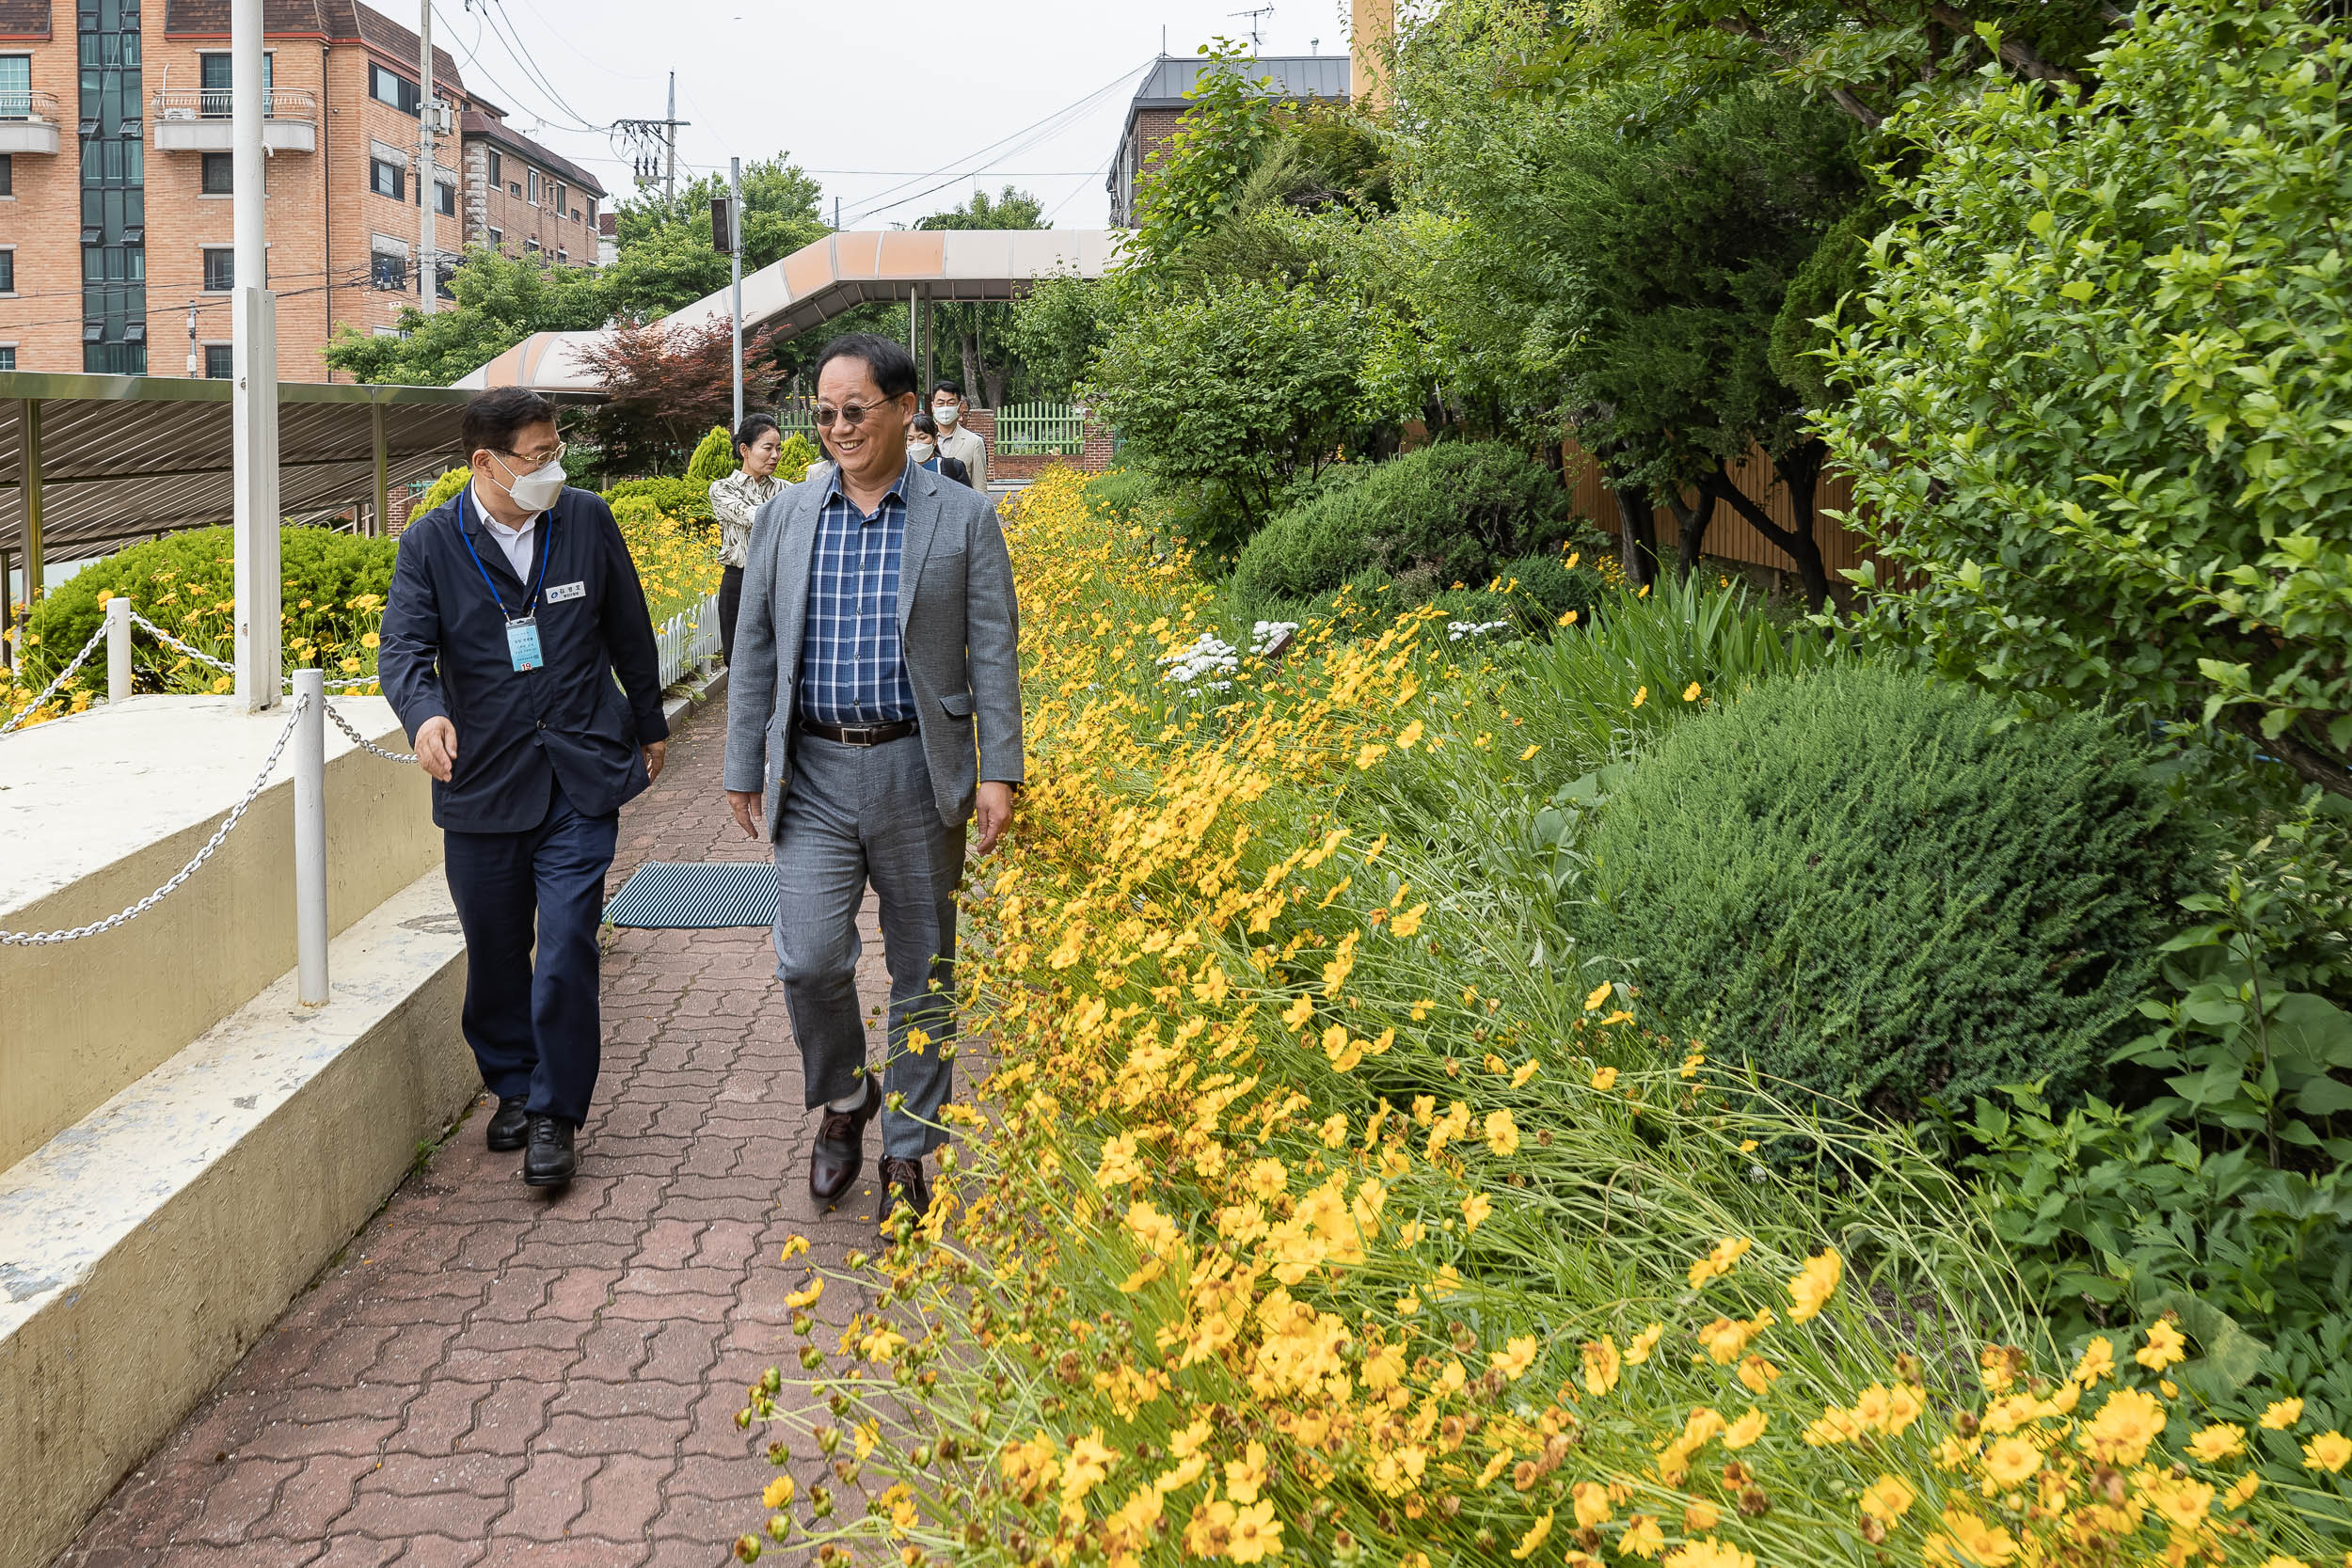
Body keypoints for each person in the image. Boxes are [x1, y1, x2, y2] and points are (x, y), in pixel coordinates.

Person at [723, 333, 1023, 1234]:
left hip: (915, 767)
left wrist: (999, 768)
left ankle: (908, 1146)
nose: (838, 428)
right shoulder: (788, 513)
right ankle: (847, 1095)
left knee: (924, 963)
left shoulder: (961, 517)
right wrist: (743, 763)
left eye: (855, 410)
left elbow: (995, 648)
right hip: (813, 770)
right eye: (824, 413)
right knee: (809, 958)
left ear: (902, 409)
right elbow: (756, 647)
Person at [379, 387, 670, 1190]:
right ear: (486, 463)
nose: (554, 468)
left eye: (555, 452)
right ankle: (512, 1080)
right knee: (498, 951)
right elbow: (402, 647)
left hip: (579, 774)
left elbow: (630, 626)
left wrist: (650, 724)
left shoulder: (585, 520)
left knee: (569, 941)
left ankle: (555, 1114)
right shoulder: (432, 544)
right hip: (484, 783)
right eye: (538, 457)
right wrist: (424, 714)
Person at [709, 413, 786, 666]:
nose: (775, 455)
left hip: (778, 581)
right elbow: (752, 515)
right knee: (738, 660)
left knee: (779, 660)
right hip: (738, 581)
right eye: (768, 448)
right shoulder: (722, 489)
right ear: (745, 449)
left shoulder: (785, 489)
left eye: (778, 448)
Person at [930, 381, 988, 492]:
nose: (945, 408)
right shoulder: (922, 441)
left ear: (959, 406)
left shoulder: (974, 442)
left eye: (950, 403)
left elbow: (980, 488)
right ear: (932, 406)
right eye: (940, 403)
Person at [907, 410, 973, 488]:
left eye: (922, 438)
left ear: (935, 440)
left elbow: (967, 498)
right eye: (911, 439)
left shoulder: (953, 468)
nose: (916, 443)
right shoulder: (900, 470)